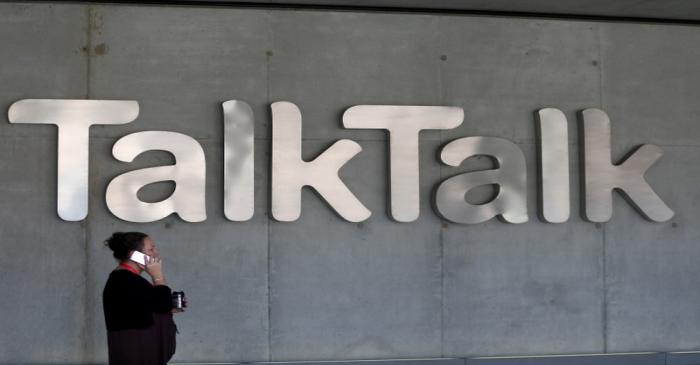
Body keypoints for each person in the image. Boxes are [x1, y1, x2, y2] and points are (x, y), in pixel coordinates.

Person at [103, 232, 183, 365]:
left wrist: (171, 308)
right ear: (133, 255)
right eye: (151, 249)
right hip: (136, 351)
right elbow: (162, 305)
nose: (156, 253)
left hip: (136, 349)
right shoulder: (124, 279)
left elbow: (146, 308)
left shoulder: (126, 279)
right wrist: (158, 276)